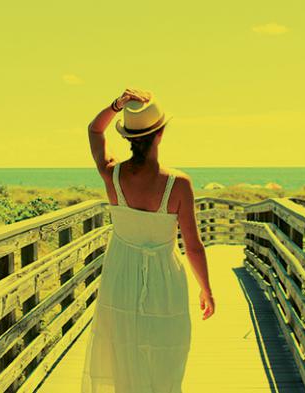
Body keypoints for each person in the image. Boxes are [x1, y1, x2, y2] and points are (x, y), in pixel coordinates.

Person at [81, 87, 215, 393]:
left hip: (120, 276)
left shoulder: (112, 174)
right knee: (166, 358)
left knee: (124, 356)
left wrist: (118, 104)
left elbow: (94, 130)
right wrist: (207, 290)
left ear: (128, 137)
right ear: (160, 134)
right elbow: (193, 246)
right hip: (165, 279)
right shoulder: (178, 184)